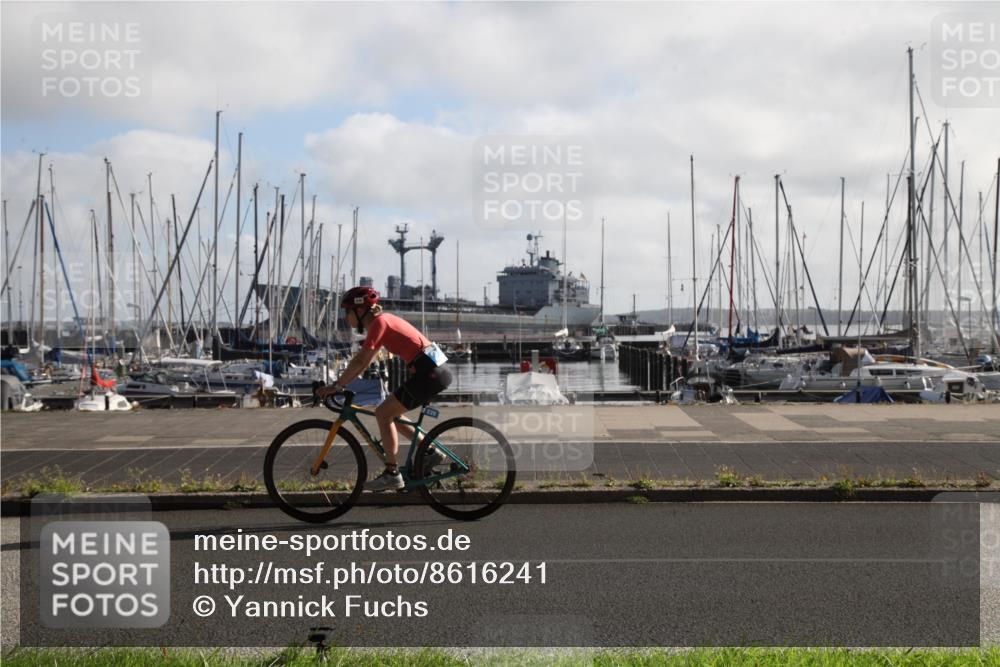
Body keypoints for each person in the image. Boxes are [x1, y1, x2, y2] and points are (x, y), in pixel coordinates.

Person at [315, 286, 452, 490]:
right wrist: (342, 383)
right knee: (391, 413)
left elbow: (361, 361)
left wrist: (337, 385)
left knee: (383, 413)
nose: (346, 317)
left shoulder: (379, 323)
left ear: (360, 311)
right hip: (433, 371)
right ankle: (429, 451)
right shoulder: (384, 321)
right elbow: (365, 361)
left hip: (429, 374)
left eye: (348, 311)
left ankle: (392, 473)